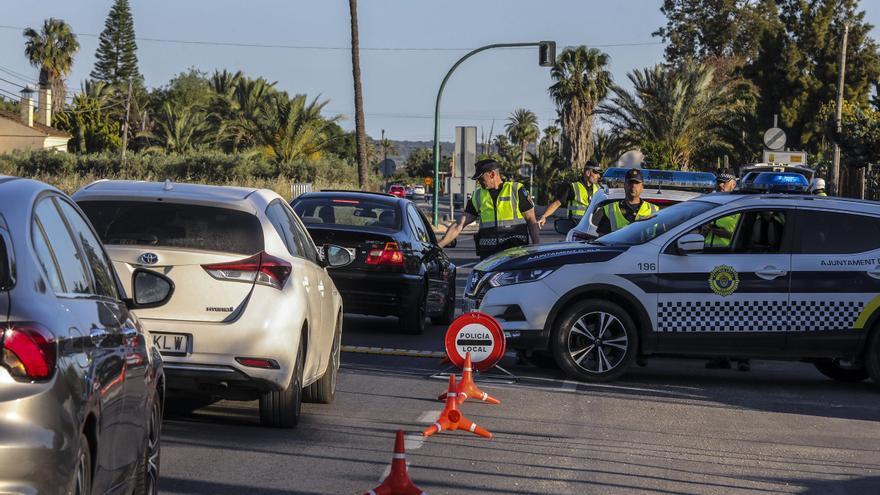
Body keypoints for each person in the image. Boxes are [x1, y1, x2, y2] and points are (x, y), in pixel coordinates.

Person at [438, 159, 540, 259]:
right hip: (489, 257)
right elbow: (459, 224)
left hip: (515, 255)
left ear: (492, 174)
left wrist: (536, 249)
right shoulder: (478, 195)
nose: (479, 182)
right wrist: (439, 246)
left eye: (481, 179)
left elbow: (531, 220)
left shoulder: (515, 190)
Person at [592, 168, 659, 236]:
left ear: (642, 187)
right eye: (630, 182)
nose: (633, 186)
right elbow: (602, 239)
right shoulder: (610, 210)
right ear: (624, 185)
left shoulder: (655, 211)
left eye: (637, 183)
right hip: (618, 246)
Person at [537, 160, 602, 229]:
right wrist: (544, 216)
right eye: (596, 173)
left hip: (593, 228)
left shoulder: (599, 189)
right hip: (575, 227)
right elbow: (557, 203)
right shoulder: (573, 187)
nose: (598, 176)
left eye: (599, 173)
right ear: (588, 173)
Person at [704, 170, 739, 248]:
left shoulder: (740, 206)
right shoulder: (709, 204)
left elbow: (749, 236)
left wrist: (727, 235)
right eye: (719, 182)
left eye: (724, 182)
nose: (720, 185)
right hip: (707, 251)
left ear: (734, 184)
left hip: (728, 253)